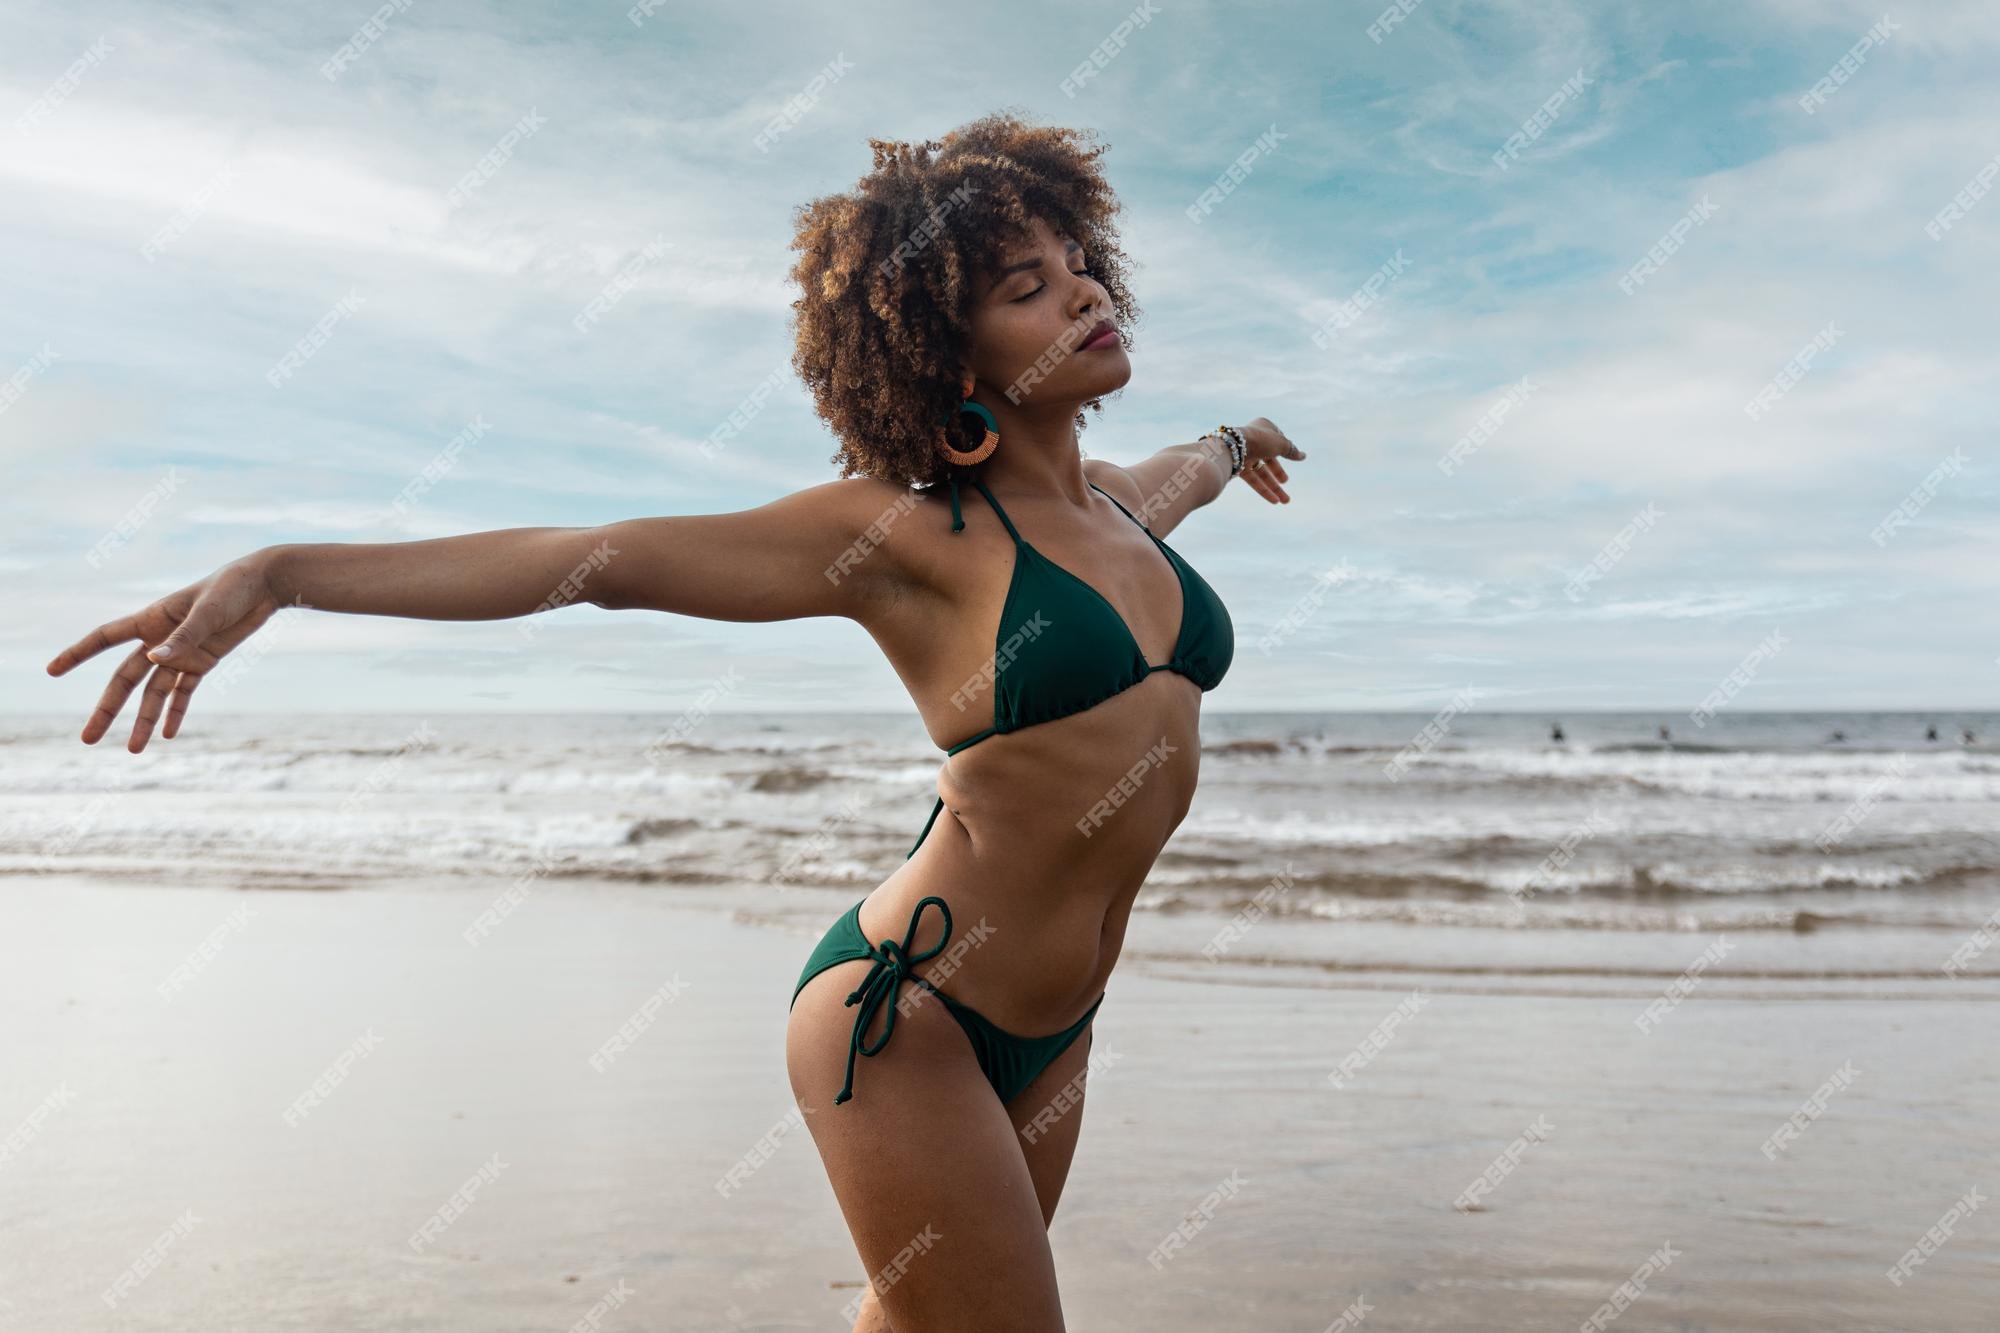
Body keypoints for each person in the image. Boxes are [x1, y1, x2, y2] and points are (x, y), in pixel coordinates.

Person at [42, 111, 1309, 1333]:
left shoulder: (1131, 504)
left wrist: (1235, 433)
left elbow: (1195, 461)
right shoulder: (905, 539)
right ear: (950, 354)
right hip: (905, 1016)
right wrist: (280, 573)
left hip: (1056, 1027)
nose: (1084, 292)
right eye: (1028, 287)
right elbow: (599, 557)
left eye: (1081, 265)